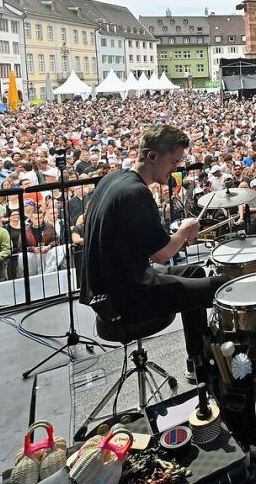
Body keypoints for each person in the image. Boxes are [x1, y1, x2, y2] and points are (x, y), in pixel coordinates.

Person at [79, 124, 227, 375]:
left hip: (106, 293)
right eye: (173, 162)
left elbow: (132, 240)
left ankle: (197, 360)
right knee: (221, 285)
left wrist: (176, 239)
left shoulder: (113, 179)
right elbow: (162, 254)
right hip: (127, 298)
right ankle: (226, 365)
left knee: (194, 273)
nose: (175, 169)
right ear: (152, 156)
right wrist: (183, 233)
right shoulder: (136, 193)